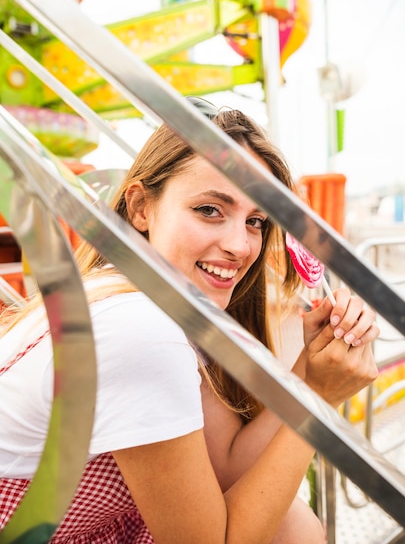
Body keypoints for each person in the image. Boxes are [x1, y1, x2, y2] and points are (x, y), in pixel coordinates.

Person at [0, 99, 379, 543]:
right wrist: (318, 402)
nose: (240, 246)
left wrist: (307, 373)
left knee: (288, 522)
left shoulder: (149, 300)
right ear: (141, 207)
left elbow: (230, 465)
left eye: (255, 220)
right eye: (209, 210)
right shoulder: (138, 329)